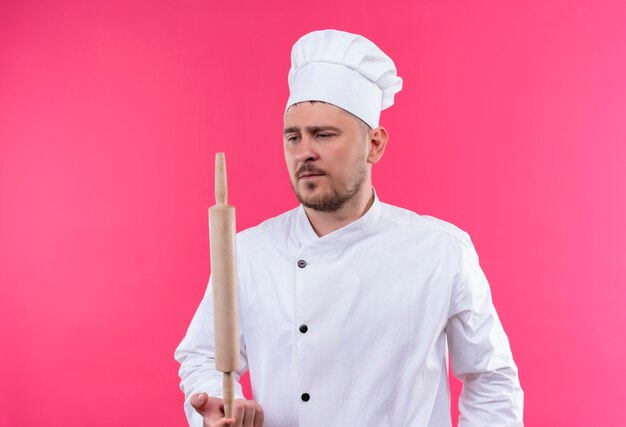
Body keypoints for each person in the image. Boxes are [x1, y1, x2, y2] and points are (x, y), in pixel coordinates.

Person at [175, 29, 524, 427]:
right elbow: (202, 355)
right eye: (294, 136)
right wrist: (224, 403)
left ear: (374, 144)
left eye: (323, 134)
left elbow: (491, 377)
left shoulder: (442, 251)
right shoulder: (248, 252)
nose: (305, 151)